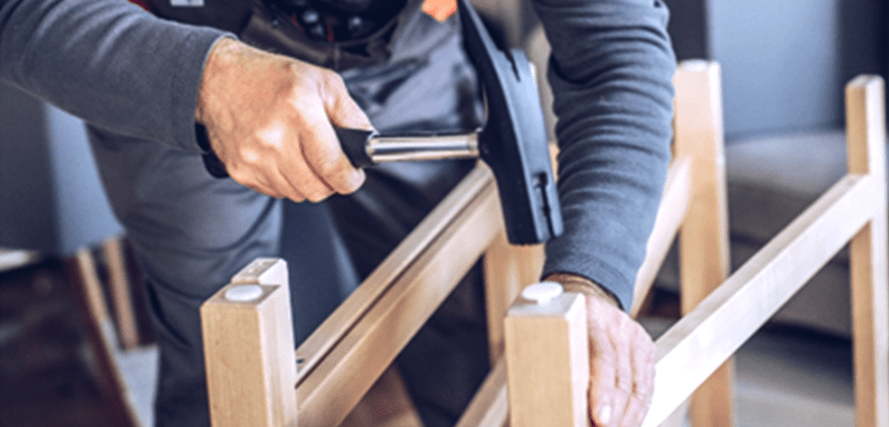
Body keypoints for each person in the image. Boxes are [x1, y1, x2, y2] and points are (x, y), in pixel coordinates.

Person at [0, 0, 675, 426]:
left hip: (410, 51)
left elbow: (617, 53)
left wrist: (590, 279)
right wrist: (204, 81)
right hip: (181, 51)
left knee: (487, 364)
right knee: (222, 375)